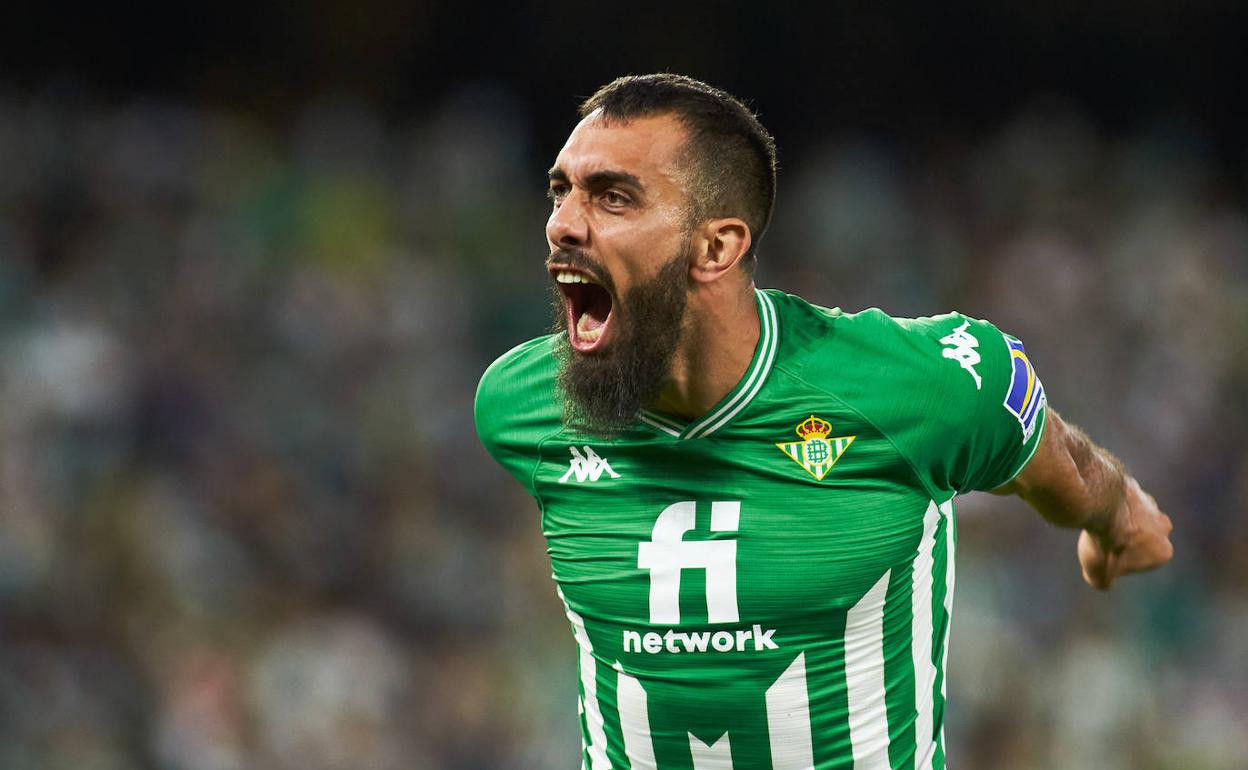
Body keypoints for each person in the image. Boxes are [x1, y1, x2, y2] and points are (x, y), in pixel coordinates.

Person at [474, 73, 1173, 770]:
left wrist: (1117, 517)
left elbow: (1059, 465)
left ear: (717, 247)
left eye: (613, 196)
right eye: (560, 190)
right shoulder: (521, 403)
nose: (561, 223)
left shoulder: (919, 390)